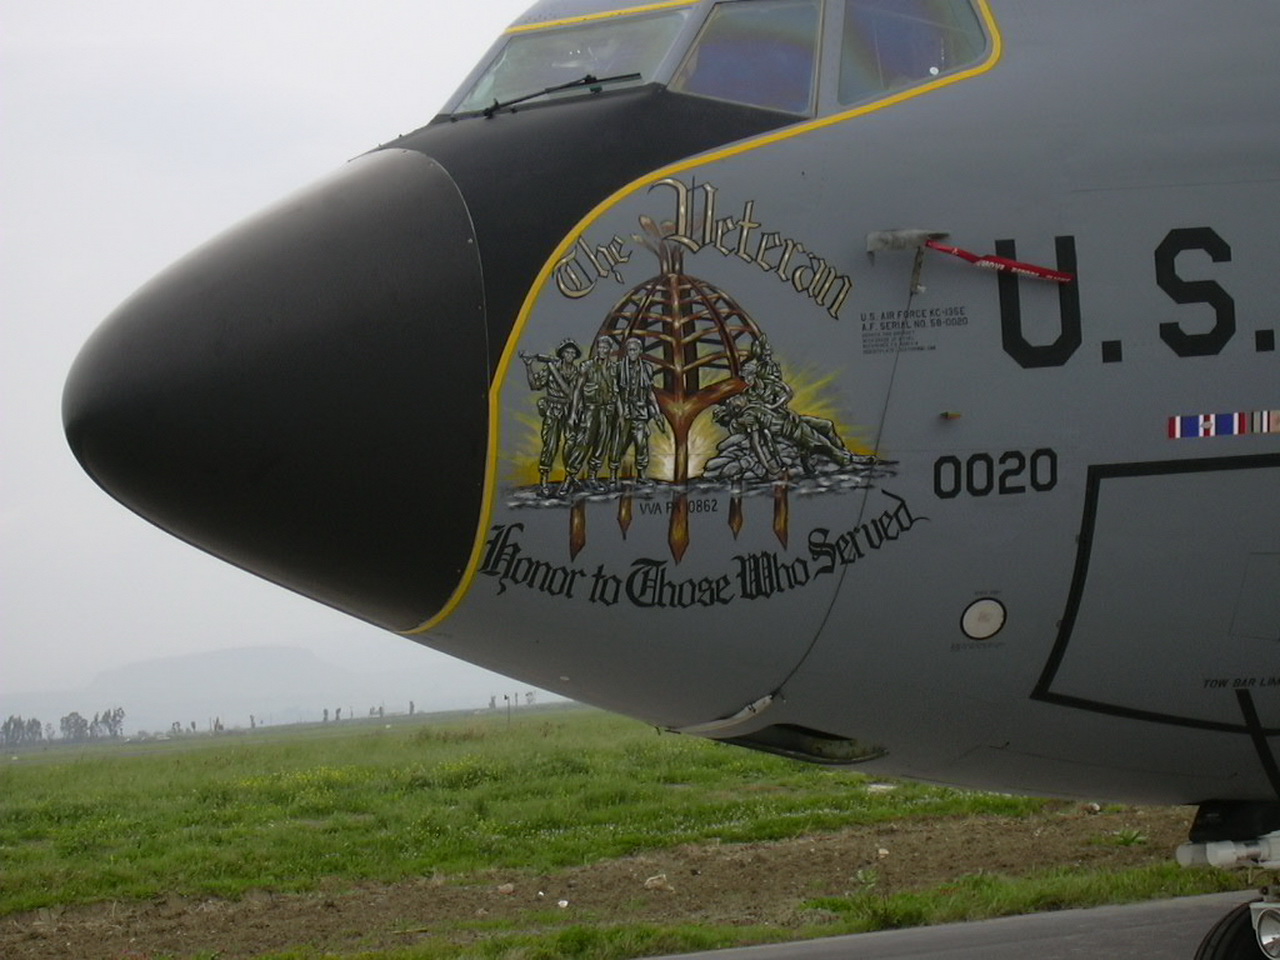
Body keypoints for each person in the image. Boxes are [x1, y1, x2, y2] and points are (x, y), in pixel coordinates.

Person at [522, 339, 582, 496]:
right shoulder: (551, 368)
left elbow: (574, 394)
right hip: (553, 410)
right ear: (562, 354)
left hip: (570, 411)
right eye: (567, 352)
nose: (570, 355)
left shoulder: (576, 372)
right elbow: (535, 385)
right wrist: (528, 366)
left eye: (573, 353)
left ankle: (569, 479)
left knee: (571, 445)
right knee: (550, 445)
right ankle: (544, 481)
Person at [611, 337, 666, 487]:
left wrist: (657, 412)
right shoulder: (619, 368)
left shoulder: (647, 368)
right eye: (629, 350)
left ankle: (641, 475)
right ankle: (613, 475)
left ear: (640, 351)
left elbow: (650, 393)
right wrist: (621, 413)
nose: (632, 353)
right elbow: (615, 393)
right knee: (619, 444)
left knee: (641, 444)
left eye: (635, 350)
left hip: (640, 412)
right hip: (625, 412)